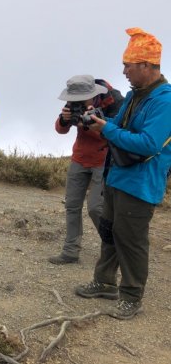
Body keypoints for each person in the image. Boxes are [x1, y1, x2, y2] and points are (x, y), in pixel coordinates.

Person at [75, 28, 171, 320]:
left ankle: (132, 297)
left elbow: (148, 144)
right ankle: (104, 283)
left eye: (128, 66)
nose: (124, 71)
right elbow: (121, 124)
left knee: (131, 239)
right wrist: (102, 120)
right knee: (110, 232)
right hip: (118, 175)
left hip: (140, 183)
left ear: (145, 66)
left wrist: (107, 129)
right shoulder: (135, 95)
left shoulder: (165, 102)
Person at [48, 75, 124, 265]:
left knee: (96, 207)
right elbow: (60, 130)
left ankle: (115, 249)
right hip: (80, 157)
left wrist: (92, 123)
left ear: (93, 94)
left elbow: (115, 135)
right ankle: (70, 251)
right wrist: (65, 120)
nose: (78, 102)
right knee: (72, 205)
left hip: (104, 159)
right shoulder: (74, 100)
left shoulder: (114, 102)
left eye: (82, 99)